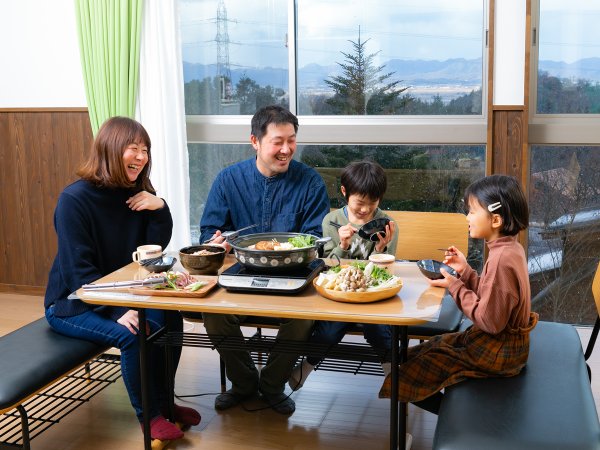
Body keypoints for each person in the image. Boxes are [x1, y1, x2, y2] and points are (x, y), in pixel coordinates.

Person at [44, 117, 200, 441]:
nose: (141, 157)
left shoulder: (135, 194)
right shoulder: (74, 200)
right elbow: (78, 274)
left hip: (123, 293)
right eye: (134, 148)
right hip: (73, 302)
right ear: (111, 150)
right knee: (133, 333)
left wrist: (160, 208)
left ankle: (166, 404)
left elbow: (152, 254)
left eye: (145, 150)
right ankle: (151, 416)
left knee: (170, 318)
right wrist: (117, 310)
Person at [200, 105, 330, 414]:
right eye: (277, 141)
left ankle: (272, 385)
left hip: (293, 276)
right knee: (212, 314)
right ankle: (244, 383)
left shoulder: (310, 182)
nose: (287, 149)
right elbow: (209, 231)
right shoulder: (228, 179)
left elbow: (315, 238)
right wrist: (218, 242)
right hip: (241, 274)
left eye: (292, 140)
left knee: (303, 318)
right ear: (255, 142)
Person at [378, 174, 538, 414]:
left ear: (495, 219)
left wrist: (455, 285)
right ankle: (457, 417)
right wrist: (465, 272)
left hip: (498, 351)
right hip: (503, 344)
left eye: (472, 211)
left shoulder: (501, 260)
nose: (467, 217)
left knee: (407, 374)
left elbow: (490, 321)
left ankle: (459, 421)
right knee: (426, 349)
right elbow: (492, 297)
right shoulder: (509, 248)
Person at [288, 160, 399, 390]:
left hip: (371, 295)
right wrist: (344, 245)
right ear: (344, 192)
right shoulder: (332, 221)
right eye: (360, 203)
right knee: (329, 330)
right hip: (339, 293)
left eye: (373, 203)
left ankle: (394, 380)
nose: (366, 209)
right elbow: (328, 266)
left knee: (378, 329)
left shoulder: (386, 224)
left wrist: (380, 250)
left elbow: (385, 271)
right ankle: (305, 369)